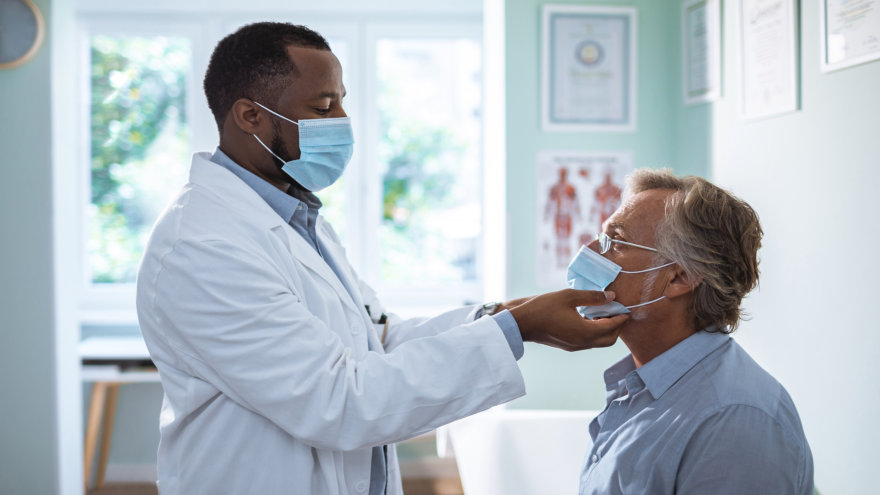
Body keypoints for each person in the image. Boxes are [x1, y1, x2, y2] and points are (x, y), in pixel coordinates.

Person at [135, 22, 629, 495]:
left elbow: (376, 338)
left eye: (342, 105)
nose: (343, 124)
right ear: (250, 116)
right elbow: (340, 401)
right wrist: (518, 328)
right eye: (323, 107)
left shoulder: (296, 218)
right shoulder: (204, 246)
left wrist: (502, 316)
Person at [570, 169, 813, 494]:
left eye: (615, 242)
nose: (589, 250)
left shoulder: (734, 422)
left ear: (679, 278)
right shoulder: (639, 389)